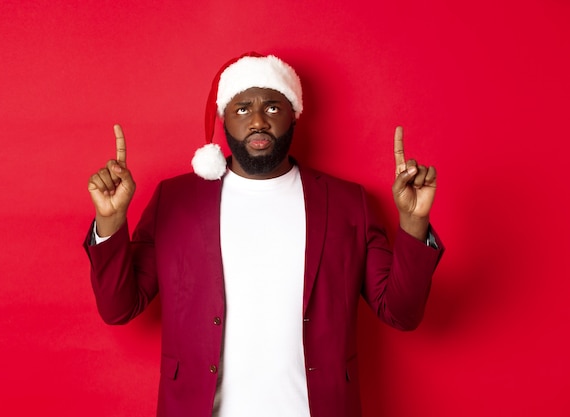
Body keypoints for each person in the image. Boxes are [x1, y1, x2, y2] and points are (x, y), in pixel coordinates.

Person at [84, 53, 444, 417]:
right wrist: (110, 221)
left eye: (273, 107)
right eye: (242, 109)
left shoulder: (348, 203)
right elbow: (119, 308)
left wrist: (414, 222)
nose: (258, 121)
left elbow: (401, 313)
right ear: (224, 118)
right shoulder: (175, 200)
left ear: (294, 115)